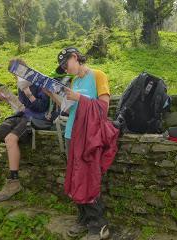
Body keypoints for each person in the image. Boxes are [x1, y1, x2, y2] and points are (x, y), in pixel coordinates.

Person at [0, 58, 50, 201]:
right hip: (21, 115)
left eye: (17, 74)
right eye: (14, 75)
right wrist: (5, 98)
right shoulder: (20, 85)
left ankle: (13, 182)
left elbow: (41, 108)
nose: (16, 77)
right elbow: (21, 107)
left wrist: (28, 92)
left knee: (10, 139)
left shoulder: (40, 81)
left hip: (36, 118)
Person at [55, 47, 112, 240]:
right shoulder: (74, 80)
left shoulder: (98, 75)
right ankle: (84, 218)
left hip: (89, 136)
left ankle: (99, 224)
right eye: (62, 67)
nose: (65, 68)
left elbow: (103, 108)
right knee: (76, 177)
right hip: (71, 133)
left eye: (66, 64)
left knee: (88, 177)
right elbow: (68, 109)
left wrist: (78, 97)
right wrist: (49, 92)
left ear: (75, 57)